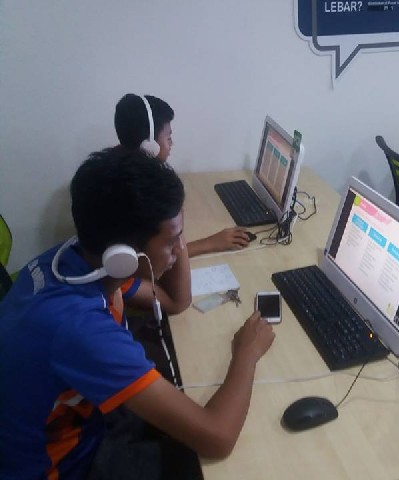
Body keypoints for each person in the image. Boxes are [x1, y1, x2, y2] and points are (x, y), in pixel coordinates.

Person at [0, 148, 275, 479]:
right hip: (66, 465)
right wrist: (247, 353)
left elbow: (174, 301)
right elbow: (218, 438)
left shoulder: (76, 259)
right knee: (197, 464)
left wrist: (174, 227)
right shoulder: (79, 327)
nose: (180, 250)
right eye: (172, 242)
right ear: (125, 256)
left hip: (84, 421)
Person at [114, 93, 251, 256]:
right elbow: (150, 259)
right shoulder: (136, 194)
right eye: (168, 137)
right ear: (149, 146)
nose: (172, 143)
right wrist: (213, 243)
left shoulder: (119, 165)